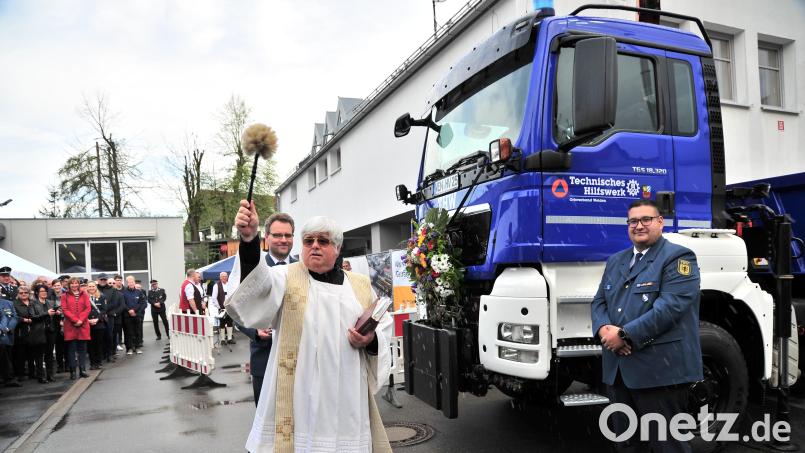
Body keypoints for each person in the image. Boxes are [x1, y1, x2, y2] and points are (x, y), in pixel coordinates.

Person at [226, 200, 393, 453]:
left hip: (347, 393)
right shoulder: (286, 276)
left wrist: (370, 340)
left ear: (337, 248)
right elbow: (258, 287)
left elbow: (382, 327)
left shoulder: (359, 285)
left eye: (323, 241)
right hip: (298, 394)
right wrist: (249, 240)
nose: (314, 246)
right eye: (308, 241)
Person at [591, 199, 702, 452]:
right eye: (633, 221)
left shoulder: (678, 257)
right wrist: (603, 330)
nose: (638, 226)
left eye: (646, 220)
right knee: (627, 444)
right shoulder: (616, 261)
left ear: (660, 222)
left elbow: (670, 307)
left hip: (659, 371)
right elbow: (599, 302)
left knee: (667, 444)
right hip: (618, 371)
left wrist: (625, 335)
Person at [231, 212, 297, 404]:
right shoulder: (253, 265)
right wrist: (256, 332)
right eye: (277, 235)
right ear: (266, 237)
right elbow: (237, 310)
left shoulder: (302, 269)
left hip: (298, 363)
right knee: (266, 426)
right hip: (264, 359)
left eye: (288, 235)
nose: (283, 240)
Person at [13, 286, 49, 383]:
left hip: (36, 332)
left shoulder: (35, 303)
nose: (24, 294)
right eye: (21, 293)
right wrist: (24, 320)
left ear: (29, 293)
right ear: (18, 294)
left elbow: (40, 314)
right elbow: (14, 316)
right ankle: (21, 375)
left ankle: (38, 375)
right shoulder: (14, 304)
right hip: (22, 331)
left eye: (26, 292)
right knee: (22, 354)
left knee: (37, 355)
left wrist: (33, 319)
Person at [62, 278, 91, 379]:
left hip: (82, 325)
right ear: (69, 285)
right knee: (71, 349)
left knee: (82, 349)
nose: (74, 285)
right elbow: (65, 309)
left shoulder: (85, 294)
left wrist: (81, 320)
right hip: (70, 325)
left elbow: (88, 308)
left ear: (79, 284)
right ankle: (73, 371)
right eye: (72, 283)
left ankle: (82, 370)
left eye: (76, 283)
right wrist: (75, 320)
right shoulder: (64, 296)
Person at [97, 274, 124, 360]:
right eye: (101, 279)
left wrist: (104, 310)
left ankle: (109, 354)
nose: (103, 281)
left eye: (104, 279)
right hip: (97, 316)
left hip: (108, 316)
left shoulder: (112, 289)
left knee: (109, 335)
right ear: (98, 280)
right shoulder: (94, 288)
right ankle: (101, 355)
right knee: (99, 336)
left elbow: (114, 302)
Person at [33, 284, 57, 382]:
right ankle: (41, 376)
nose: (44, 293)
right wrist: (47, 313)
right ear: (37, 293)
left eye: (45, 291)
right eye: (42, 291)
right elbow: (34, 317)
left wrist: (57, 313)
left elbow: (54, 316)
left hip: (50, 331)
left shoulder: (51, 302)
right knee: (39, 355)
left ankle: (50, 375)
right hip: (39, 331)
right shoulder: (33, 303)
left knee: (49, 354)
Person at [86, 282, 108, 369]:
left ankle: (99, 362)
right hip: (88, 323)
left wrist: (97, 319)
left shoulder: (102, 296)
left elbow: (104, 310)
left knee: (98, 344)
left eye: (93, 286)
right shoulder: (84, 297)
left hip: (99, 323)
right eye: (89, 286)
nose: (91, 288)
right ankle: (92, 363)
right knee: (90, 344)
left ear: (96, 287)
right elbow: (82, 310)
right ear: (87, 287)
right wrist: (87, 320)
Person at [121, 276, 146, 355]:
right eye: (129, 282)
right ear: (127, 283)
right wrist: (129, 310)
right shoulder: (124, 292)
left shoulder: (139, 292)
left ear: (134, 282)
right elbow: (123, 303)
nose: (131, 283)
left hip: (137, 315)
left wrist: (134, 310)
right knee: (128, 332)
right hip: (127, 315)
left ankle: (137, 347)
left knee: (137, 331)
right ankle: (129, 348)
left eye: (132, 282)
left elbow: (142, 303)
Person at [0, 295, 20, 387]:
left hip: (7, 335)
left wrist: (8, 328)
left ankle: (9, 378)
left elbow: (15, 317)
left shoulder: (8, 303)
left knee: (8, 358)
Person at [48, 279, 67, 373]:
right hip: (55, 322)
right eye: (55, 285)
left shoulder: (66, 294)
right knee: (59, 345)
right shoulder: (50, 296)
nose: (57, 287)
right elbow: (49, 308)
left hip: (67, 321)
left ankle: (68, 365)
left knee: (67, 344)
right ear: (52, 286)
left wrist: (63, 317)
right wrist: (56, 312)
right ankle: (60, 365)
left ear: (61, 285)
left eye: (58, 285)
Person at [211, 272, 236, 345]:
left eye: (226, 276)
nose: (225, 277)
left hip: (229, 307)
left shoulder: (230, 285)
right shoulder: (216, 285)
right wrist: (219, 307)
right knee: (222, 323)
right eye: (223, 276)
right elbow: (214, 298)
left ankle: (229, 338)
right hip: (221, 308)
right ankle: (222, 339)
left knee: (230, 322)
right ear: (220, 277)